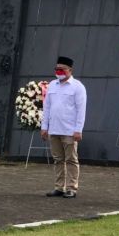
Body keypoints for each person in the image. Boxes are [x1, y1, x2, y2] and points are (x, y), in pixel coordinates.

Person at [41, 56, 87, 199]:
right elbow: (47, 107)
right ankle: (59, 187)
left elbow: (81, 110)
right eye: (57, 69)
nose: (59, 72)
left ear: (70, 70)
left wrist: (78, 129)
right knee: (58, 159)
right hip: (54, 129)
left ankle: (72, 188)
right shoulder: (52, 85)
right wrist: (44, 126)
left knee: (71, 159)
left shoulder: (77, 86)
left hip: (69, 130)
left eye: (62, 69)